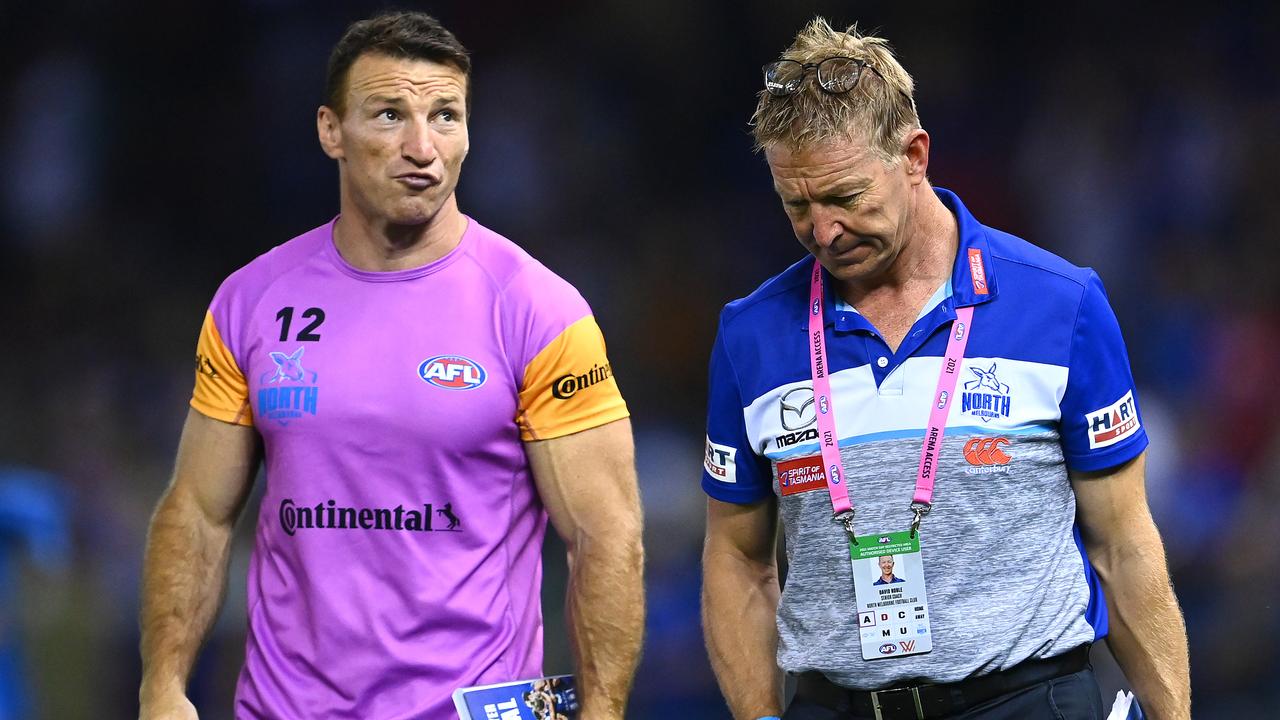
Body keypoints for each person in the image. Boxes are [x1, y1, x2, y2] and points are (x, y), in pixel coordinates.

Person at [137, 11, 644, 719]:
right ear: (330, 131)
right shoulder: (252, 303)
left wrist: (602, 711)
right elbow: (196, 510)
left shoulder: (538, 311)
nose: (422, 147)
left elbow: (604, 533)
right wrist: (162, 686)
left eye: (445, 116)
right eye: (388, 115)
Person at [700, 18, 1189, 720]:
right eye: (795, 204)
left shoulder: (1061, 305)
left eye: (844, 197)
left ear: (915, 155)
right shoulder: (751, 334)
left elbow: (1123, 544)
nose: (823, 231)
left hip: (1029, 700)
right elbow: (737, 559)